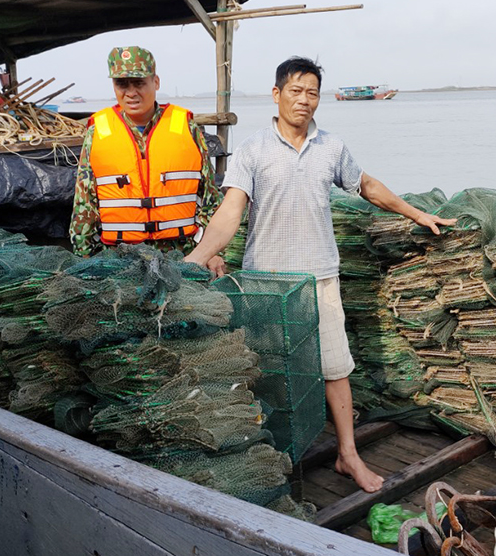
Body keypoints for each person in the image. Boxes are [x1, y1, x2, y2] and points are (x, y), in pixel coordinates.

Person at [185, 56, 455, 493]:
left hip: (321, 279)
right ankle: (262, 456)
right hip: (267, 285)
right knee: (264, 369)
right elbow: (230, 212)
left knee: (335, 369)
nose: (304, 100)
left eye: (312, 92)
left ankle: (348, 456)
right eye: (296, 90)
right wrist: (195, 259)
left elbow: (365, 186)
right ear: (276, 95)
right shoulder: (253, 149)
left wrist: (415, 212)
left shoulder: (331, 147)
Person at [69, 46, 225, 275]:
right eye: (122, 84)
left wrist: (211, 251)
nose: (131, 92)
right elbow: (85, 205)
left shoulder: (185, 126)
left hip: (182, 256)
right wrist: (84, 260)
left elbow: (210, 197)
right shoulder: (98, 131)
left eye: (139, 83)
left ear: (156, 82)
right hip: (119, 258)